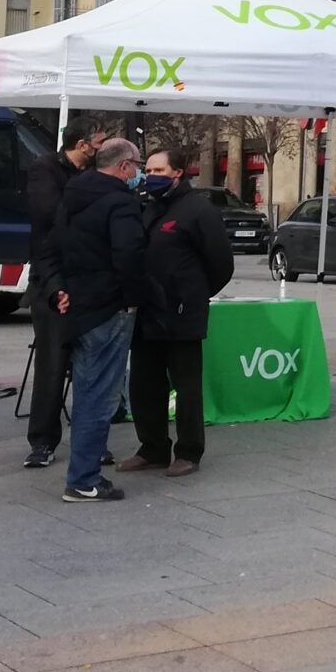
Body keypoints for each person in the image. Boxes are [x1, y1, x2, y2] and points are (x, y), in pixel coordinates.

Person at [122, 146, 233, 477]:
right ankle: (152, 448)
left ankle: (188, 451)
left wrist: (194, 295)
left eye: (158, 171)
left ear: (177, 173)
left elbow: (221, 263)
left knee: (185, 386)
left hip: (181, 312)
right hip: (147, 312)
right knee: (144, 384)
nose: (151, 177)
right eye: (149, 171)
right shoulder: (148, 207)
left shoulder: (198, 210)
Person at [55, 137, 147, 501]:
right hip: (109, 307)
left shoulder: (73, 195)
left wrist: (59, 290)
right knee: (99, 397)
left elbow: (54, 247)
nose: (139, 174)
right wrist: (133, 298)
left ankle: (84, 472)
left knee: (87, 390)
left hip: (77, 305)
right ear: (124, 167)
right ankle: (83, 478)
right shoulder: (121, 203)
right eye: (138, 167)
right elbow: (129, 253)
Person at [21, 120, 97, 470]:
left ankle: (91, 437)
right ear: (83, 144)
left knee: (92, 365)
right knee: (52, 362)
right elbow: (49, 217)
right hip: (50, 276)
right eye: (100, 140)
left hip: (88, 277)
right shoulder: (45, 169)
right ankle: (42, 440)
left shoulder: (96, 171)